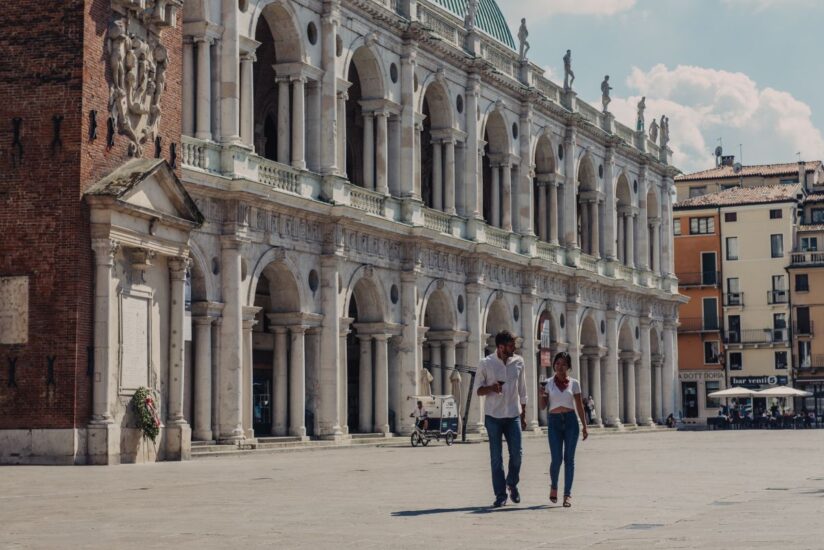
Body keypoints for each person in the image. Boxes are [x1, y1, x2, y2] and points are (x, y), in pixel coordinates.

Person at [474, 330, 528, 508]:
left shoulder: (518, 361)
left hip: (513, 415)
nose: (515, 348)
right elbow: (478, 390)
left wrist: (524, 414)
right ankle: (500, 495)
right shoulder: (486, 363)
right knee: (496, 458)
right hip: (493, 416)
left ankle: (512, 482)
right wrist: (491, 388)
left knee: (517, 455)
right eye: (511, 345)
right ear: (501, 347)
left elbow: (523, 389)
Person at [539, 352, 588, 508]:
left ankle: (567, 495)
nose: (560, 367)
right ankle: (554, 485)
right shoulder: (547, 383)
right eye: (557, 364)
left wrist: (585, 425)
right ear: (554, 365)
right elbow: (542, 406)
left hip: (571, 421)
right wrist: (541, 396)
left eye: (564, 364)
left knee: (569, 459)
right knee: (556, 459)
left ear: (569, 367)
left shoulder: (574, 383)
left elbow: (579, 405)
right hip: (554, 422)